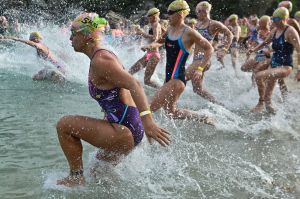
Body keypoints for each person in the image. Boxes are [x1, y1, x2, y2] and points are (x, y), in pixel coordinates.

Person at [56, 13, 170, 187]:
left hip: (125, 130)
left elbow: (135, 85)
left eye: (74, 33)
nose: (70, 38)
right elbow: (117, 94)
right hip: (128, 127)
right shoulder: (100, 57)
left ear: (87, 35)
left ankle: (75, 177)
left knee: (64, 125)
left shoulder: (101, 60)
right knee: (98, 173)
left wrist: (148, 122)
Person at [145, 0, 214, 124]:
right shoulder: (170, 29)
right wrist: (151, 46)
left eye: (170, 13)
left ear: (180, 14)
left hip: (177, 80)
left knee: (147, 106)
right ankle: (203, 117)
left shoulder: (189, 32)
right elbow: (160, 41)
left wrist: (200, 69)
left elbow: (209, 48)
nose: (167, 16)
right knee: (171, 112)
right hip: (168, 78)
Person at [248, 7, 300, 113]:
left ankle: (260, 103)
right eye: (273, 19)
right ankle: (275, 120)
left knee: (259, 76)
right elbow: (265, 43)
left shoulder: (290, 31)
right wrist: (253, 49)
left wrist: (299, 70)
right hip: (274, 64)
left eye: (276, 20)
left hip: (285, 66)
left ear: (284, 19)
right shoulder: (275, 30)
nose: (273, 22)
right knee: (268, 99)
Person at [189, 1, 232, 105]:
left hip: (204, 59)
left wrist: (224, 49)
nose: (201, 13)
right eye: (199, 11)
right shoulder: (197, 24)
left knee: (180, 76)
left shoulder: (213, 24)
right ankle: (219, 105)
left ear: (208, 11)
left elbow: (229, 34)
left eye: (203, 11)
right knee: (197, 89)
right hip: (196, 58)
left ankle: (167, 102)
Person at [0, 32, 66, 82]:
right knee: (35, 77)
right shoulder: (41, 48)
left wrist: (15, 38)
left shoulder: (40, 46)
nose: (30, 41)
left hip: (58, 68)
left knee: (45, 77)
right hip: (55, 67)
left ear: (36, 39)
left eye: (31, 40)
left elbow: (32, 44)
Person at [128, 8, 162, 88]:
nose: (147, 18)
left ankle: (163, 90)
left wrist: (142, 33)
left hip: (154, 55)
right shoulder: (156, 24)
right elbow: (159, 37)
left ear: (153, 16)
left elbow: (155, 38)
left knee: (147, 81)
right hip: (149, 54)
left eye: (148, 17)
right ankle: (129, 88)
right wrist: (141, 33)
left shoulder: (156, 24)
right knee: (130, 71)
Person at [242, 15, 272, 87]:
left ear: (265, 23)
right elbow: (257, 42)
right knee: (249, 71)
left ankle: (260, 89)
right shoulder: (260, 31)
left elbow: (268, 45)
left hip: (266, 55)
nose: (259, 24)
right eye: (259, 23)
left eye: (261, 23)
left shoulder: (270, 33)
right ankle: (255, 87)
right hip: (260, 54)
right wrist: (251, 48)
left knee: (256, 74)